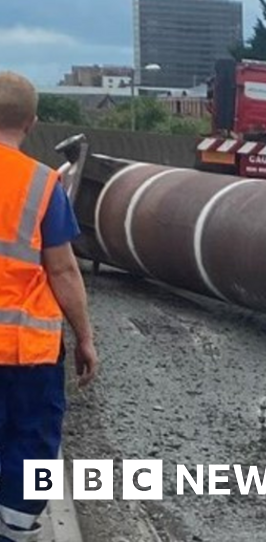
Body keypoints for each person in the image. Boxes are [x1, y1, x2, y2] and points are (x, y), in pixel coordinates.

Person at [0, 72, 98, 542]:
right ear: (32, 122)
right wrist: (84, 337)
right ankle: (15, 532)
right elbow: (62, 270)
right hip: (27, 353)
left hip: (26, 352)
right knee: (30, 445)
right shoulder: (41, 184)